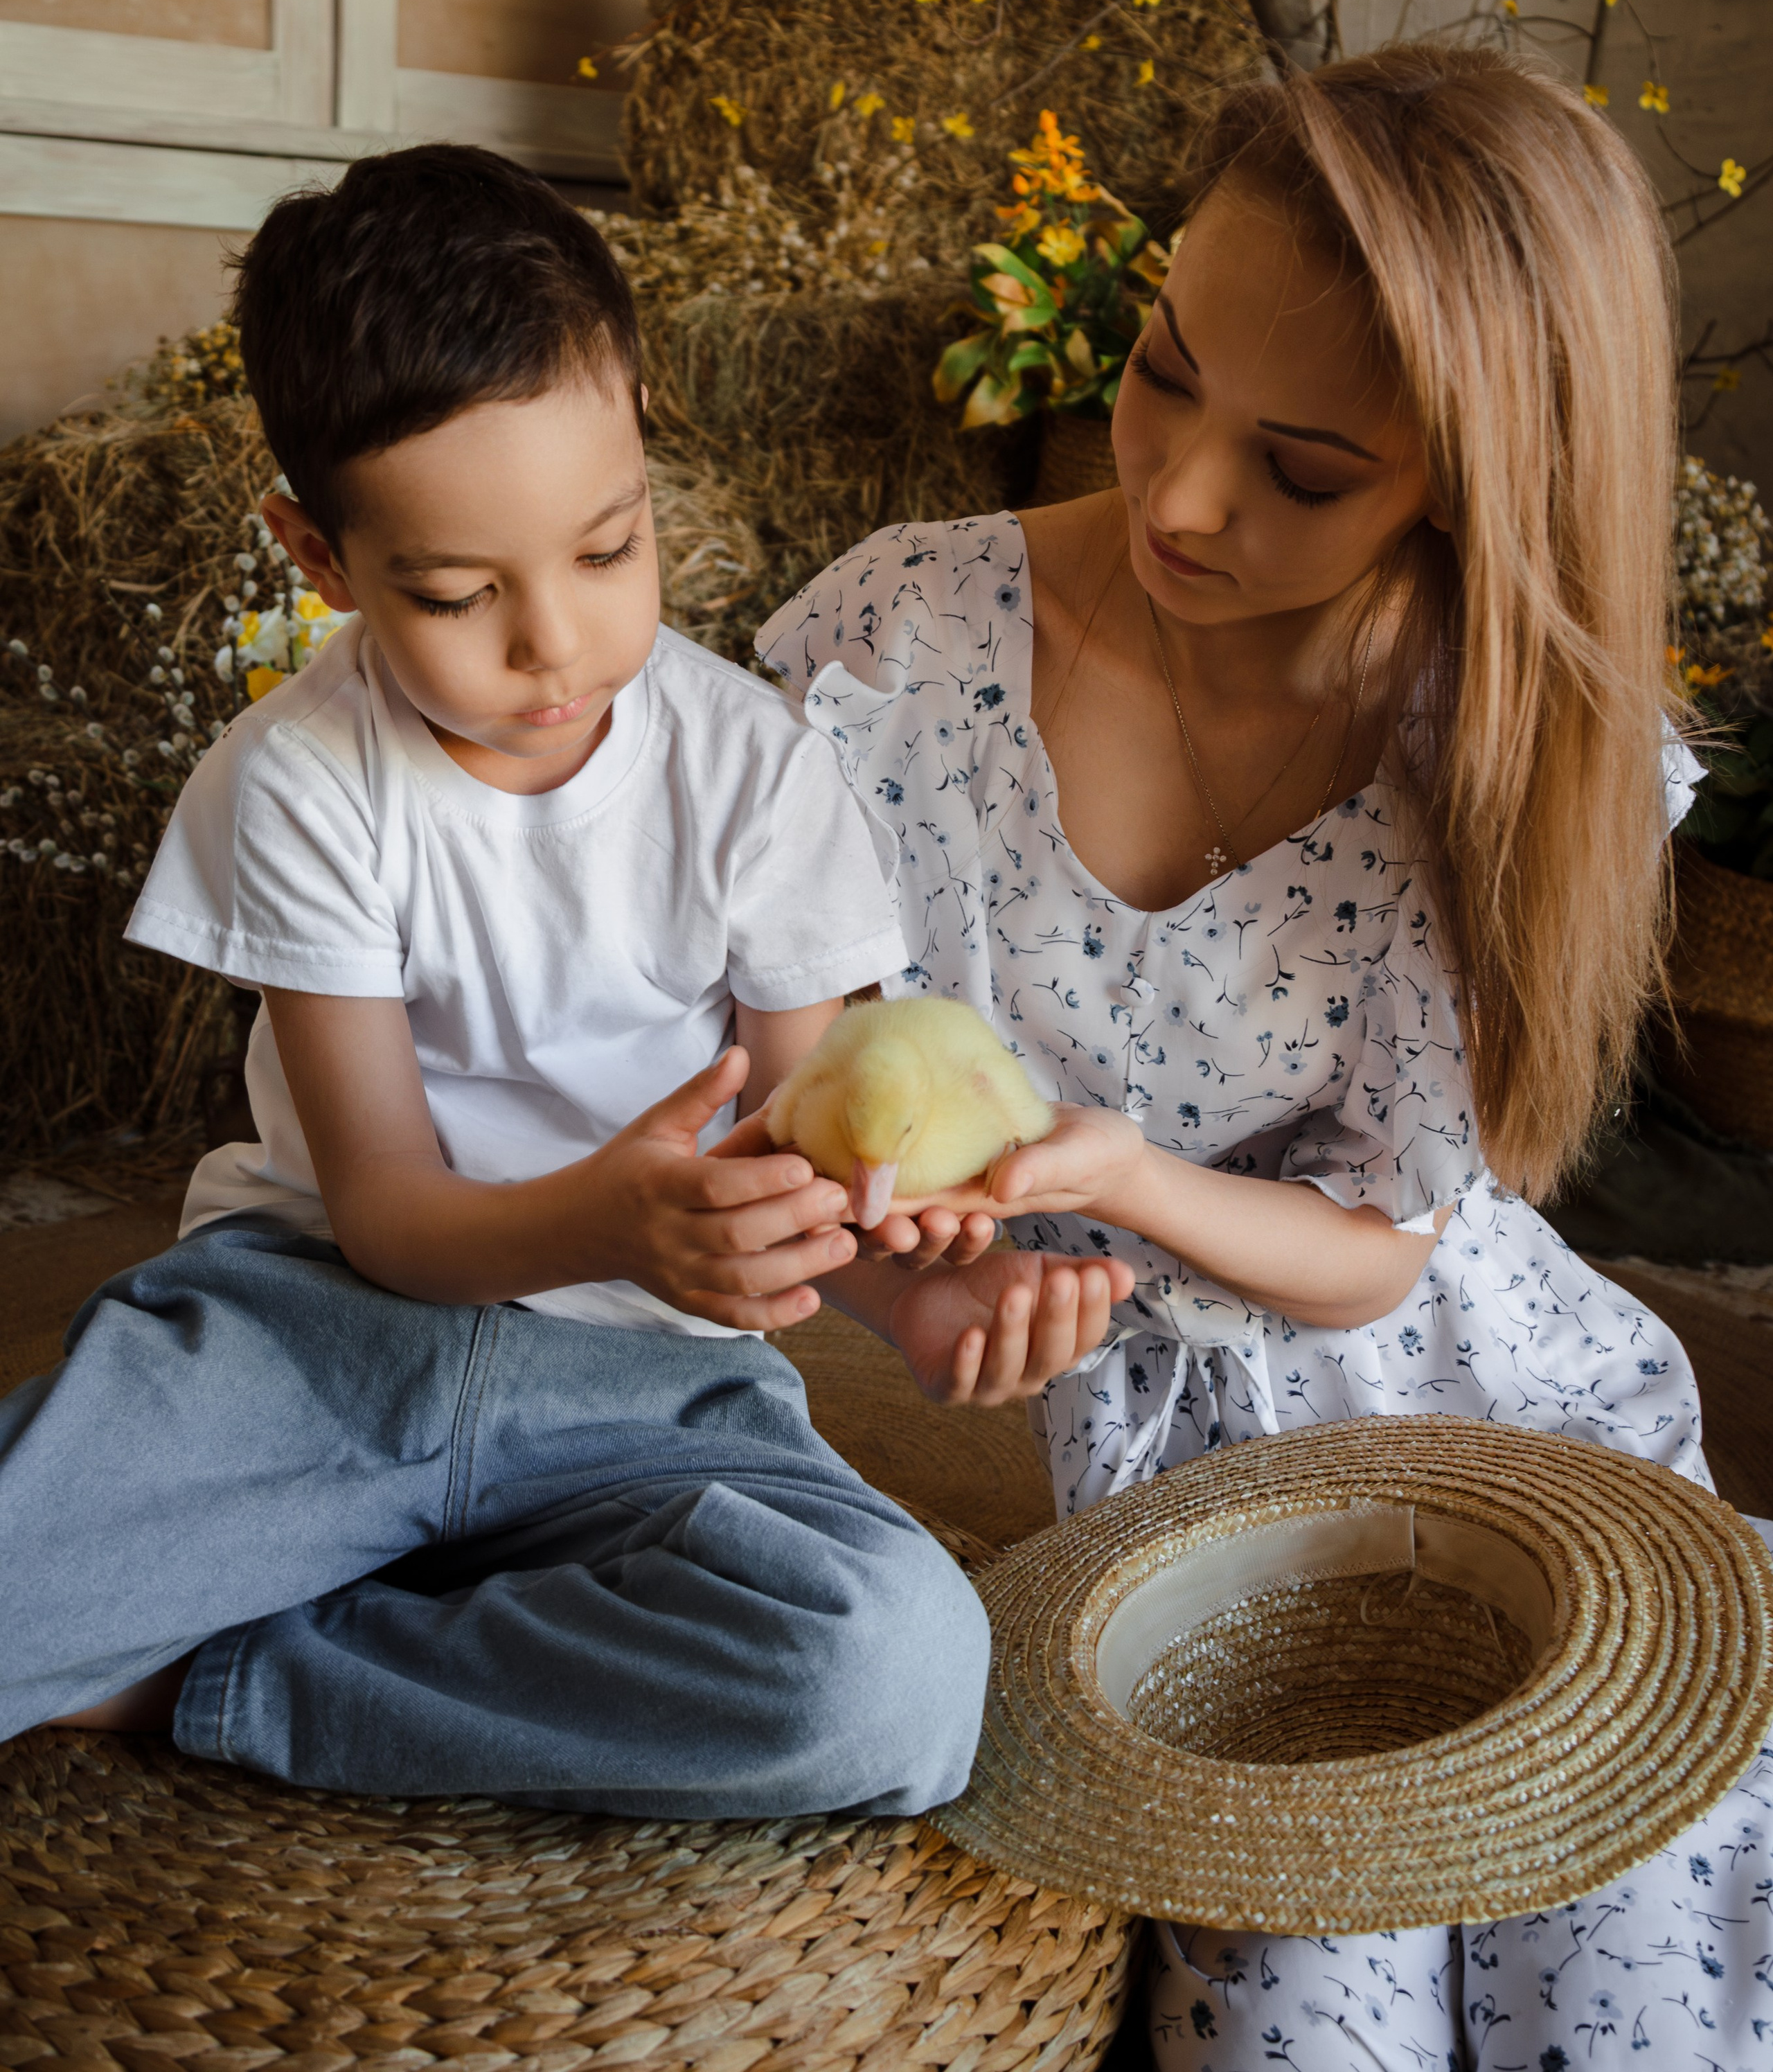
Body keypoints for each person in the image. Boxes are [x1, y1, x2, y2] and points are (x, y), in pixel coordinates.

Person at [760, 45, 1773, 2067]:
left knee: (1642, 2013)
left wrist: (1114, 1169)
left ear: (1483, 491)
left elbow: (1386, 1252)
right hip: (1187, 1491)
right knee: (1306, 2021)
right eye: (1157, 367)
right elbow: (787, 1093)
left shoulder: (1492, 746)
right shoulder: (898, 645)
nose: (1183, 494)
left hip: (1511, 1441)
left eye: (1307, 470)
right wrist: (914, 1270)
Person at [0, 141, 1131, 1814]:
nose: (553, 644)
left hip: (644, 1377)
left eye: (608, 551)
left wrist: (920, 1294)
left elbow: (802, 1163)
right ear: (318, 557)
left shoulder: (749, 771)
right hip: (314, 1332)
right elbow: (385, 1207)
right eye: (458, 594)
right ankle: (282, 1566)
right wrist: (606, 1212)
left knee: (887, 1685)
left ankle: (241, 1674)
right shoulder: (303, 779)